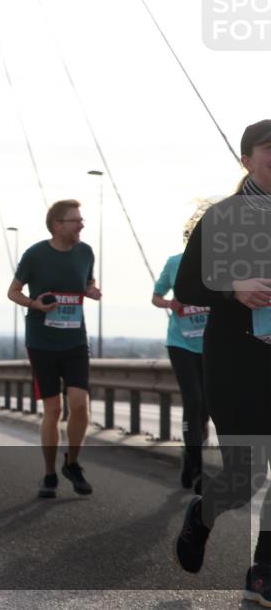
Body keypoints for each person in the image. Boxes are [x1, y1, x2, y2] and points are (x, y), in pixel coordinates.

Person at [173, 119, 271, 606]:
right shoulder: (226, 216)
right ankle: (201, 517)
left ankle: (263, 570)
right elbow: (187, 287)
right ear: (247, 159)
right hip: (237, 363)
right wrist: (235, 288)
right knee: (246, 473)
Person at [7, 199, 101, 498]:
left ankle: (72, 463)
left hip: (75, 340)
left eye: (81, 219)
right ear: (57, 225)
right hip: (42, 341)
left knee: (79, 404)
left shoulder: (86, 252)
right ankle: (49, 473)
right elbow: (13, 292)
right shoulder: (35, 254)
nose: (82, 225)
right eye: (76, 220)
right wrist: (34, 304)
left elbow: (87, 280)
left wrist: (91, 290)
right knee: (54, 409)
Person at [151, 204, 211, 488]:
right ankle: (198, 469)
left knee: (207, 407)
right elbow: (156, 296)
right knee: (194, 401)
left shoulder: (221, 263)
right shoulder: (175, 262)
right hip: (181, 343)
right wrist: (170, 303)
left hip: (211, 344)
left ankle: (190, 459)